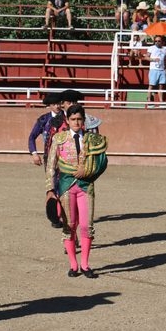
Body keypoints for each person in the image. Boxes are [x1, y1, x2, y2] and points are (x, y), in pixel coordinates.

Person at [45, 104, 108, 278]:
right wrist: (50, 190)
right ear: (67, 120)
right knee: (69, 226)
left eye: (79, 119)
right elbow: (51, 167)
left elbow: (102, 162)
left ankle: (85, 264)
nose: (76, 122)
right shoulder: (59, 138)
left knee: (87, 226)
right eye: (73, 119)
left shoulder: (92, 139)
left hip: (86, 186)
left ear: (83, 120)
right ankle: (73, 264)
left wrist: (87, 172)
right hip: (66, 187)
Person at [28, 92, 63, 168]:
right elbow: (32, 136)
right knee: (51, 179)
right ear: (49, 105)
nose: (57, 106)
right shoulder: (44, 119)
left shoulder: (67, 118)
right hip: (49, 155)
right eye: (54, 104)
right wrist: (34, 154)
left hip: (66, 156)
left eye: (58, 104)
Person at [145, 35, 166, 104]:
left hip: (162, 70)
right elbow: (146, 57)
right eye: (155, 41)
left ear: (162, 42)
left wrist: (165, 68)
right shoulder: (151, 48)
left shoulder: (164, 49)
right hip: (154, 69)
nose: (157, 42)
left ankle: (161, 101)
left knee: (161, 86)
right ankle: (149, 101)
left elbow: (165, 60)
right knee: (151, 85)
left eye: (159, 41)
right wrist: (153, 59)